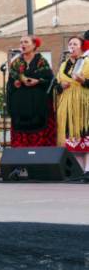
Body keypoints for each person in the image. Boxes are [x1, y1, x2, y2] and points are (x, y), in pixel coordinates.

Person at [7, 35, 56, 147]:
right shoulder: (15, 63)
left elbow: (50, 80)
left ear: (34, 45)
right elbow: (10, 83)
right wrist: (15, 83)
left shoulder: (42, 61)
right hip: (21, 107)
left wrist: (38, 81)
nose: (22, 44)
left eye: (26, 42)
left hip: (38, 106)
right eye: (21, 42)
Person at [55, 36, 89, 175]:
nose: (72, 46)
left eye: (75, 44)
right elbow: (56, 85)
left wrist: (83, 81)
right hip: (67, 105)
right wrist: (60, 86)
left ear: (82, 47)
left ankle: (88, 170)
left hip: (83, 105)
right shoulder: (64, 65)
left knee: (85, 135)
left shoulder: (87, 62)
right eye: (70, 44)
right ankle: (80, 171)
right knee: (73, 139)